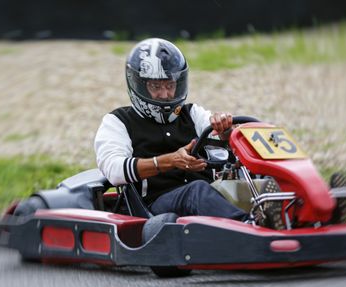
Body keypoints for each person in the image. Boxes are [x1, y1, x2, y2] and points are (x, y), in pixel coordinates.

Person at [94, 38, 257, 222]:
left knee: (259, 177)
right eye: (156, 86)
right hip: (155, 208)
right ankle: (249, 227)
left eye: (170, 85)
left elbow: (219, 139)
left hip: (209, 198)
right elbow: (114, 170)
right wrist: (170, 161)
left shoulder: (193, 113)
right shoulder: (118, 121)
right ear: (138, 83)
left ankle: (284, 217)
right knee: (197, 190)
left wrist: (226, 129)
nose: (165, 95)